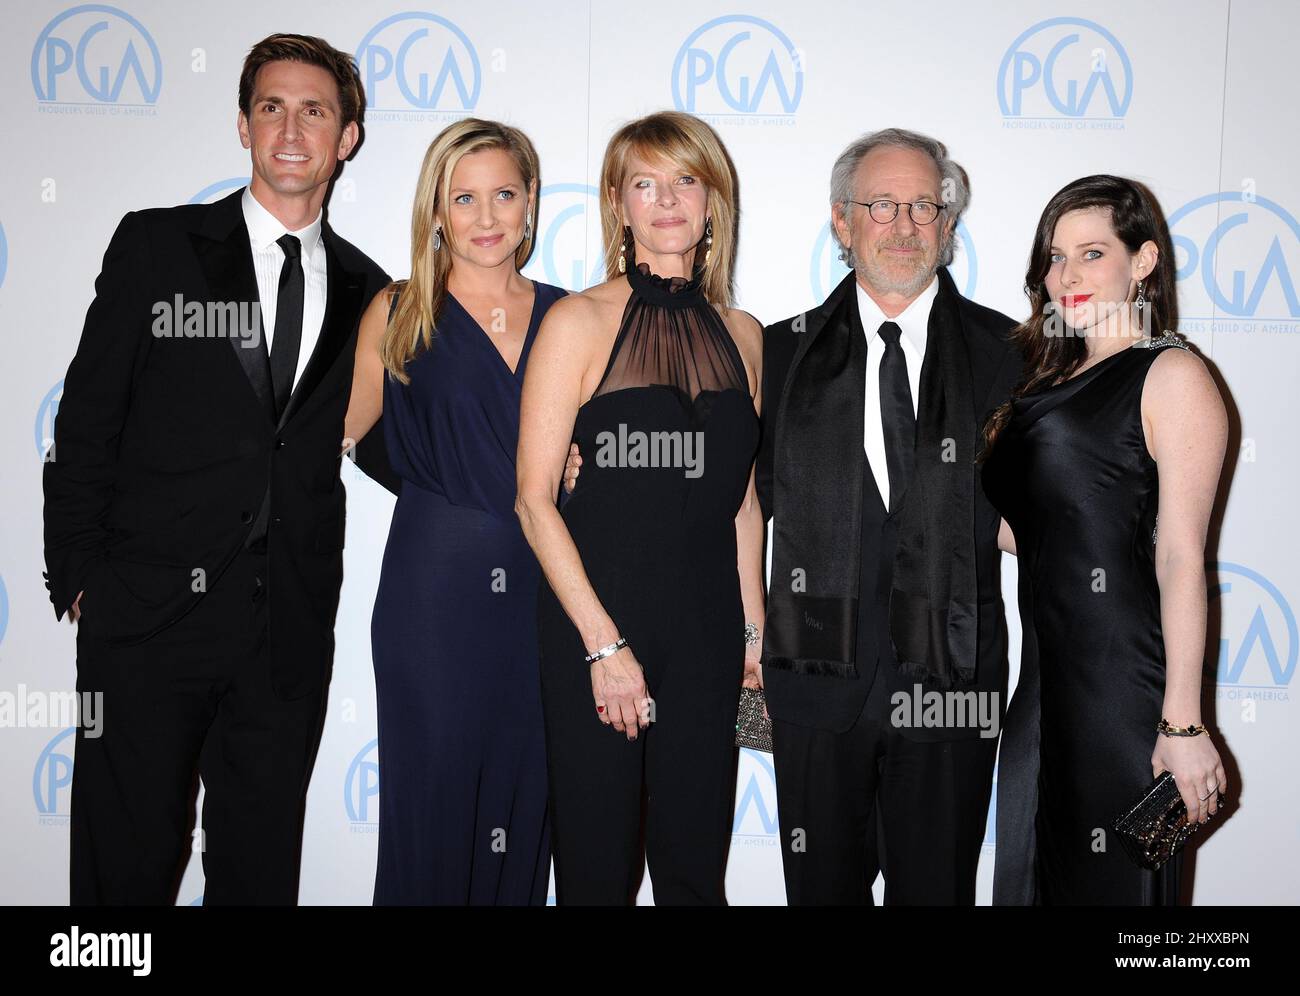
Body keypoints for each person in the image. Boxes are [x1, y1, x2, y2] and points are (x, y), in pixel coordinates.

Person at [42, 34, 390, 904]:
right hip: (146, 626)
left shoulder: (368, 293)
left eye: (315, 110)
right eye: (270, 107)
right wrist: (84, 578)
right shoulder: (158, 248)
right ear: (242, 125)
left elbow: (391, 441)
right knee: (121, 874)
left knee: (258, 877)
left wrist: (546, 459)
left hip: (284, 641)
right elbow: (86, 421)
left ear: (347, 137)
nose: (290, 129)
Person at [758, 129, 1022, 904]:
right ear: (842, 221)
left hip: (956, 675)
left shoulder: (1011, 354)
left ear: (947, 225)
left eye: (923, 206)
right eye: (881, 205)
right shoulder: (780, 355)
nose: (903, 226)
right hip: (813, 680)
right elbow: (731, 505)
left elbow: (1050, 511)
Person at [515, 111, 764, 905]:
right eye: (644, 184)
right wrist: (601, 647)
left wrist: (753, 630)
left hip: (708, 632)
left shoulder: (744, 334)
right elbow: (533, 500)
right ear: (617, 203)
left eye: (685, 180)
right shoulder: (577, 320)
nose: (666, 201)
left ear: (712, 200)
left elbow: (743, 499)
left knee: (695, 869)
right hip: (600, 627)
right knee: (598, 870)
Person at [980, 175, 1228, 905]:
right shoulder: (1041, 383)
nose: (1066, 276)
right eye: (1055, 258)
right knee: (1032, 879)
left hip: (1121, 690)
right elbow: (1037, 533)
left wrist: (1182, 722)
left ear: (1143, 260)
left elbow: (1181, 556)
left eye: (1092, 253)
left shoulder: (1171, 374)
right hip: (1041, 688)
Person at [343, 119, 565, 905]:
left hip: (546, 598)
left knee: (524, 798)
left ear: (531, 201)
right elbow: (325, 437)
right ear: (435, 209)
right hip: (434, 595)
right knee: (433, 807)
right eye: (463, 197)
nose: (486, 216)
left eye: (504, 193)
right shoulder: (399, 311)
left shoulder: (571, 316)